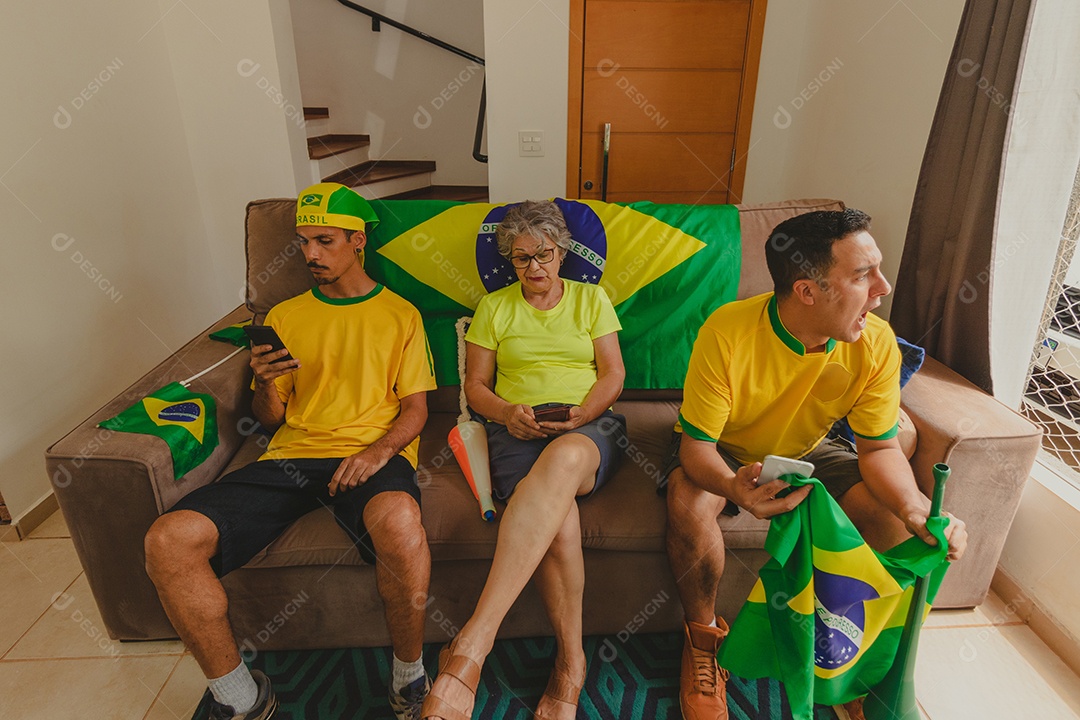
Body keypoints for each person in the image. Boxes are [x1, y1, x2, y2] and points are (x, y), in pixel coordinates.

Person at [144, 183, 437, 720]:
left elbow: (416, 412)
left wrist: (379, 452)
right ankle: (240, 697)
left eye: (323, 241)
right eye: (303, 242)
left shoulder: (402, 316)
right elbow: (271, 419)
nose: (310, 255)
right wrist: (262, 383)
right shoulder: (283, 316)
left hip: (371, 452)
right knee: (168, 540)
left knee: (398, 521)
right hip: (292, 455)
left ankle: (409, 676)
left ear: (357, 241)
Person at [663, 209, 969, 719]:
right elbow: (697, 448)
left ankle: (854, 664)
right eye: (862, 275)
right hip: (729, 449)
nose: (883, 287)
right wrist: (734, 489)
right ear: (806, 291)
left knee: (897, 521)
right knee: (687, 499)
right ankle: (702, 643)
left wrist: (916, 509)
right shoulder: (727, 331)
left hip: (812, 448)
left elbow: (879, 449)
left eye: (879, 270)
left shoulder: (875, 342)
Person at [421, 200, 627, 720]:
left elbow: (612, 375)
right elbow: (476, 386)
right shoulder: (495, 308)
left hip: (588, 430)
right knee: (558, 523)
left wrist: (583, 414)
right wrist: (508, 413)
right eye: (521, 259)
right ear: (509, 262)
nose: (534, 268)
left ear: (563, 254)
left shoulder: (591, 298)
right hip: (515, 432)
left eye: (545, 255)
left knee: (561, 463)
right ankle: (571, 664)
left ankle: (471, 645)